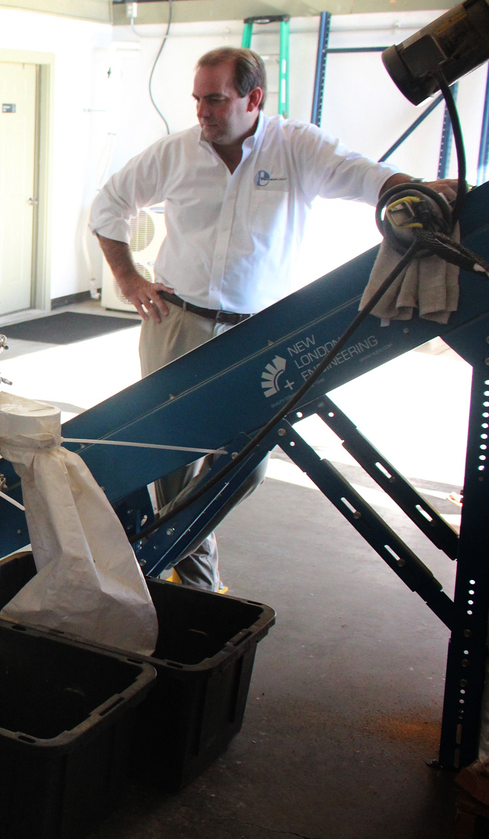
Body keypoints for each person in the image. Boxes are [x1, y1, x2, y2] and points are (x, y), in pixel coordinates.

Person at [90, 46, 455, 591]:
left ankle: (153, 553)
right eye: (197, 99)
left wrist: (416, 192)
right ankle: (197, 589)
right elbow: (108, 205)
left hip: (257, 335)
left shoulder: (295, 147)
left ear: (252, 99)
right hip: (177, 322)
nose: (202, 112)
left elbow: (362, 176)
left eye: (215, 99)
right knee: (167, 463)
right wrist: (128, 278)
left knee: (247, 464)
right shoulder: (174, 153)